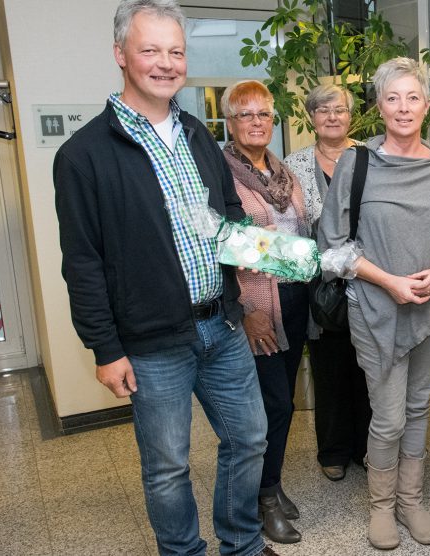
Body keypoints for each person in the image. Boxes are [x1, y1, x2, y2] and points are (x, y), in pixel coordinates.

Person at [53, 1, 274, 555]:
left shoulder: (197, 133)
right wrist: (105, 348)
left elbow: (225, 214)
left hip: (222, 327)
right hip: (151, 345)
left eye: (176, 52)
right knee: (168, 468)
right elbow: (82, 262)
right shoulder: (83, 155)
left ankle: (242, 545)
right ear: (121, 55)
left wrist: (255, 249)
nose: (166, 63)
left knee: (249, 439)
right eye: (150, 50)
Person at [316, 57, 430, 550]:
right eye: (392, 98)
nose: (403, 107)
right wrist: (388, 281)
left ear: (427, 106)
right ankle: (382, 508)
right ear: (380, 107)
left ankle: (410, 501)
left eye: (412, 97)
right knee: (387, 416)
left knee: (416, 408)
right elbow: (333, 247)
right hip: (375, 309)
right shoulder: (357, 164)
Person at [221, 79, 309, 544]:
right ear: (230, 122)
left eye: (264, 114)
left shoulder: (282, 170)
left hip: (294, 302)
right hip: (257, 307)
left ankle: (268, 484)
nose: (257, 122)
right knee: (270, 404)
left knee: (283, 401)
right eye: (246, 114)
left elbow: (299, 233)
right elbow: (220, 246)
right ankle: (264, 499)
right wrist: (243, 309)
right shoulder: (221, 172)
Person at [284, 84, 371, 483]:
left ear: (351, 115)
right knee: (329, 368)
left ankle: (368, 448)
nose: (332, 117)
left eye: (339, 109)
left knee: (369, 369)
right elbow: (289, 225)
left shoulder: (372, 157)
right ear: (311, 117)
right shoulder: (293, 165)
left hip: (370, 283)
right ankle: (333, 450)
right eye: (322, 110)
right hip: (320, 289)